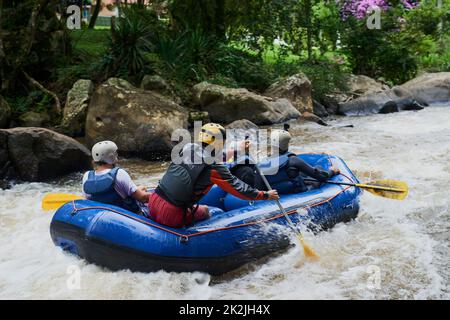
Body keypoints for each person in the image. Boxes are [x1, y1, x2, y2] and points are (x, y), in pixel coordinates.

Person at [148, 123, 279, 228]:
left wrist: (236, 150)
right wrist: (265, 195)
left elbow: (209, 156)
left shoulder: (188, 147)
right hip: (170, 214)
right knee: (206, 211)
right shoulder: (215, 166)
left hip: (153, 202)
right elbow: (238, 188)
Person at [82, 141, 151, 213]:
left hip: (101, 215)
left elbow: (87, 200)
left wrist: (138, 188)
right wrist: (157, 197)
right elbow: (142, 197)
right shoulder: (119, 173)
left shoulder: (87, 176)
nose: (117, 155)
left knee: (141, 188)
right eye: (115, 153)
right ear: (111, 157)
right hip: (127, 216)